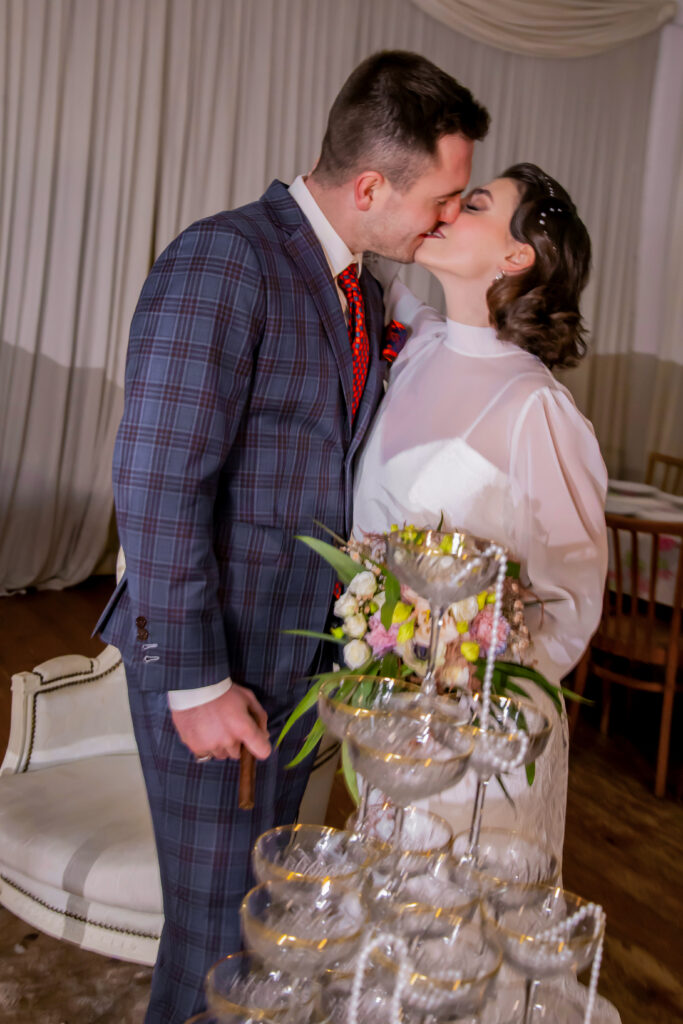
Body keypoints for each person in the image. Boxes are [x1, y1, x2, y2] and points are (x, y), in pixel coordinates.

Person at [95, 50, 489, 1024]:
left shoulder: (356, 288)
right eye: (440, 199)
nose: (445, 218)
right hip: (214, 666)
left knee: (259, 928)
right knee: (217, 939)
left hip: (285, 668)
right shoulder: (226, 257)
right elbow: (154, 477)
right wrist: (193, 679)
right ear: (369, 185)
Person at [354, 163, 609, 860]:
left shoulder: (538, 410)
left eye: (472, 204)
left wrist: (468, 684)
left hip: (475, 742)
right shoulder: (422, 344)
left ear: (514, 256)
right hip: (385, 714)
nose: (445, 210)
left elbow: (569, 598)